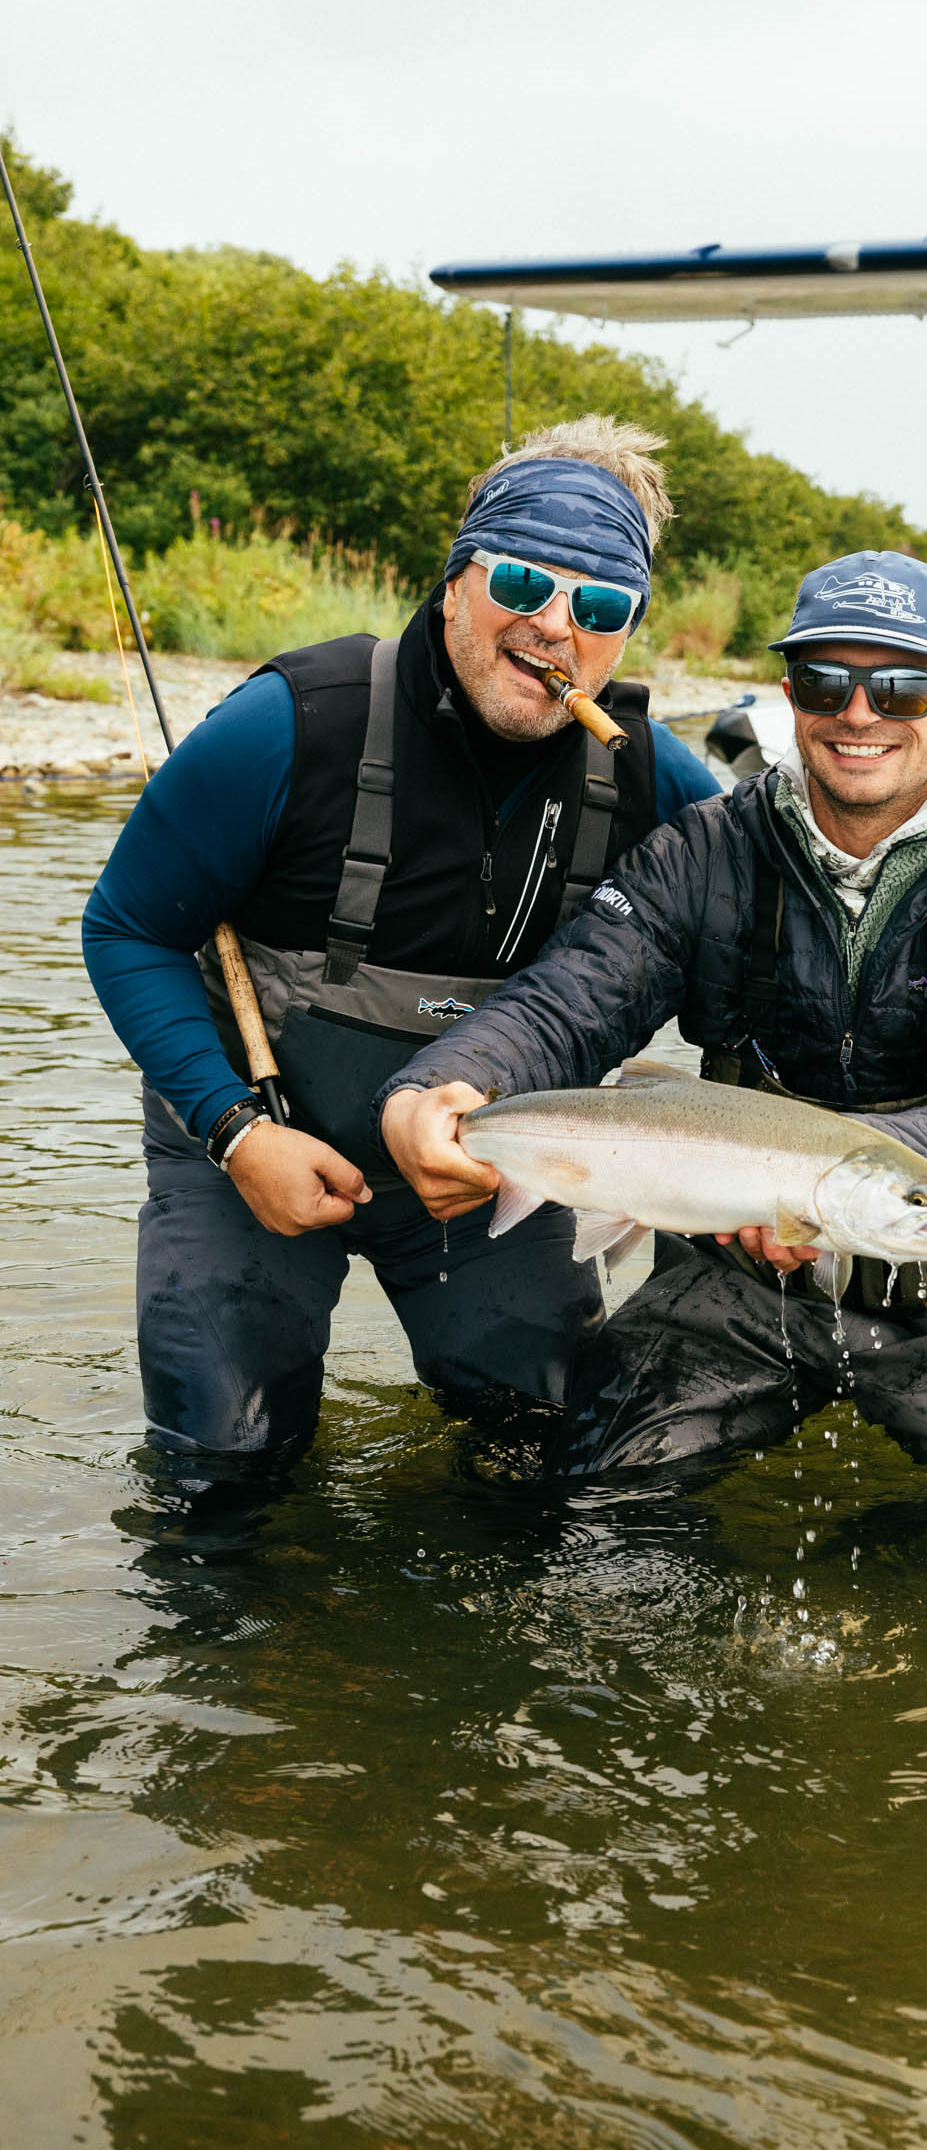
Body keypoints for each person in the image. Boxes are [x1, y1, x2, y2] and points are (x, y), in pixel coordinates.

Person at [380, 550, 927, 1477]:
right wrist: (437, 1087)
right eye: (827, 682)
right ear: (790, 696)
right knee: (605, 1491)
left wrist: (817, 1182)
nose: (859, 714)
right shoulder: (700, 851)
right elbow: (566, 1004)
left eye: (899, 689)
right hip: (734, 1282)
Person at [82, 417, 720, 1468]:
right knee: (221, 1472)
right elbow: (127, 929)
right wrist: (237, 1134)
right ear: (458, 577)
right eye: (523, 584)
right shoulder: (291, 723)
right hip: (251, 1144)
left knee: (546, 1461)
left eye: (599, 605)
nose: (557, 627)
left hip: (487, 1184)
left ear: (627, 629)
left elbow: (769, 955)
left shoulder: (660, 786)